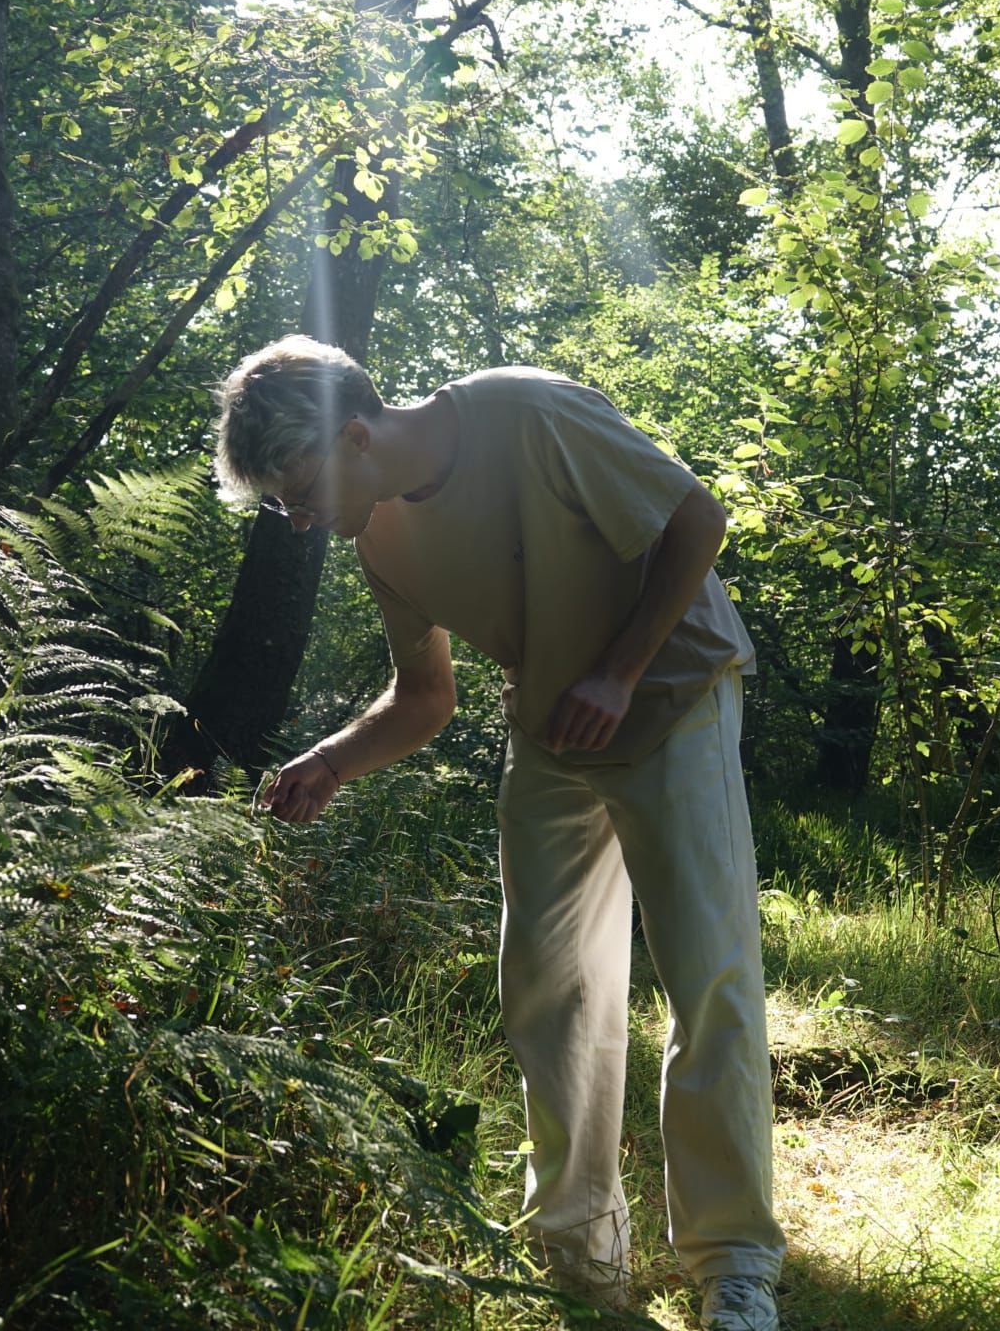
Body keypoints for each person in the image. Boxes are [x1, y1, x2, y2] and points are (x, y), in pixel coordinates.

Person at [215, 334, 786, 1331]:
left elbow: (697, 519)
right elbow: (424, 696)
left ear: (354, 435)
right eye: (279, 501)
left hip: (675, 689)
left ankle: (734, 1266)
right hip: (554, 727)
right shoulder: (379, 541)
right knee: (548, 989)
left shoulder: (528, 413)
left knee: (709, 974)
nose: (296, 517)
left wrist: (619, 669)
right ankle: (576, 1254)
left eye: (297, 488)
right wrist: (330, 762)